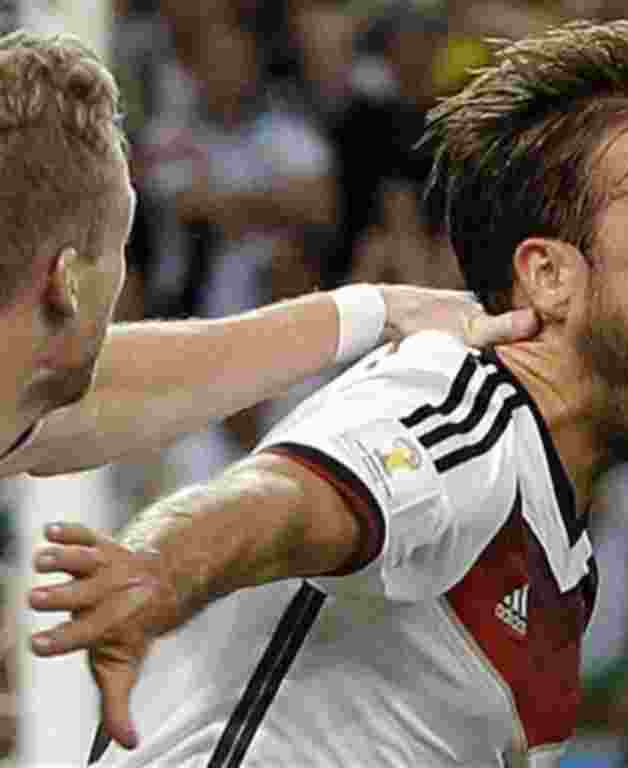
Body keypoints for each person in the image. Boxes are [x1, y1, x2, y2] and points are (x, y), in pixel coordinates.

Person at [30, 19, 628, 766]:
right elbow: (281, 503)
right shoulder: (464, 401)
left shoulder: (562, 560)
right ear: (549, 275)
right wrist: (158, 570)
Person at [0, 29, 537, 479]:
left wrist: (380, 309)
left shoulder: (21, 391)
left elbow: (117, 389)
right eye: (119, 246)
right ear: (68, 281)